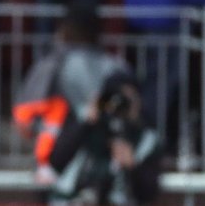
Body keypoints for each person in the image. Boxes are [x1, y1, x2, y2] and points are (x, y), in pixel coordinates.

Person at [13, 5, 129, 180]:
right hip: (103, 162)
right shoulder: (117, 67)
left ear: (64, 30)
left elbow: (23, 122)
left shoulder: (52, 66)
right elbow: (131, 111)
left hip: (60, 164)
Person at [48, 72, 162, 205]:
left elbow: (148, 194)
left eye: (128, 100)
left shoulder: (147, 139)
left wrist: (133, 167)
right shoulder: (85, 124)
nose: (121, 106)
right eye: (115, 99)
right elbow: (55, 163)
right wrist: (86, 122)